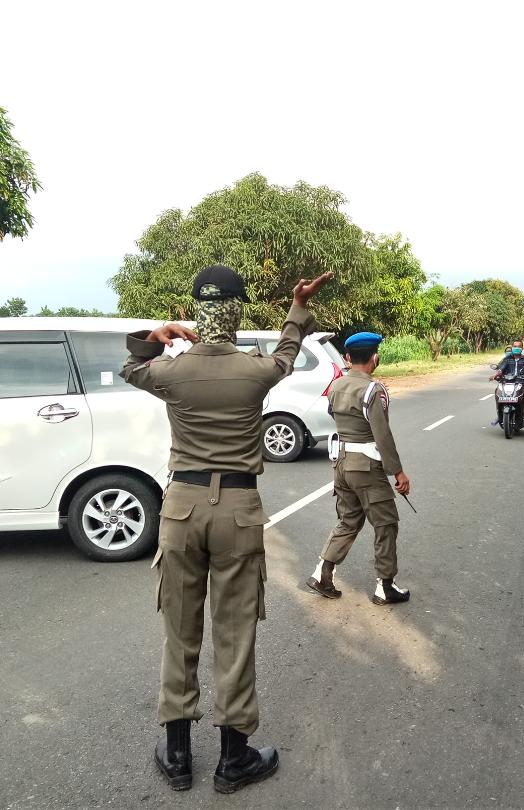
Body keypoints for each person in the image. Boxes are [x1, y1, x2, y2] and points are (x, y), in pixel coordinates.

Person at [121, 264, 333, 793]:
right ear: (237, 313)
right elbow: (288, 352)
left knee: (179, 631)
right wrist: (297, 305)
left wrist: (156, 336)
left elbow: (131, 367)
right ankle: (233, 761)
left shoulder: (170, 371)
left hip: (181, 509)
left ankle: (176, 756)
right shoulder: (255, 370)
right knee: (235, 635)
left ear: (197, 313)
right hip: (238, 509)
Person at [306, 332, 412, 605]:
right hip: (366, 467)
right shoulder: (373, 390)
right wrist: (397, 472)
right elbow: (382, 435)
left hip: (341, 463)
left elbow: (333, 414)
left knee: (349, 520)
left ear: (348, 358)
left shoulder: (337, 385)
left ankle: (322, 573)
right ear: (375, 358)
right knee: (386, 523)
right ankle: (385, 586)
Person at [490, 341, 524, 422]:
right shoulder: (507, 359)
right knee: (498, 392)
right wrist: (495, 375)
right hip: (507, 382)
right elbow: (501, 369)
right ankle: (499, 414)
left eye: (518, 346)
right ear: (512, 347)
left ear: (521, 348)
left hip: (521, 382)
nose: (516, 348)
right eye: (515, 346)